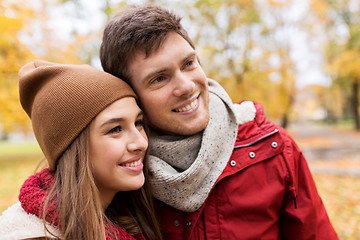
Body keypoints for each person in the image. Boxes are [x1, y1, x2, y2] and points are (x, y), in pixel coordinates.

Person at [99, 4, 339, 240]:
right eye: (159, 78)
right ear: (130, 95)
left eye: (189, 64)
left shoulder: (274, 148)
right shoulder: (119, 172)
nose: (187, 86)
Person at [0, 60, 163, 240]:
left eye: (138, 123)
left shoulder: (126, 218)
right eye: (115, 129)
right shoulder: (33, 234)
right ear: (72, 148)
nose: (141, 142)